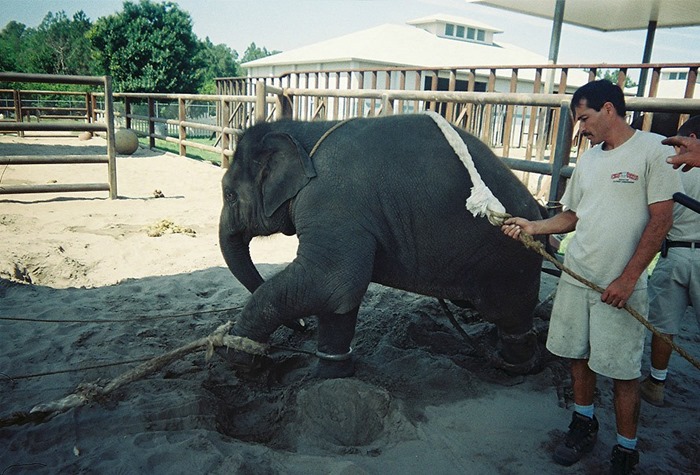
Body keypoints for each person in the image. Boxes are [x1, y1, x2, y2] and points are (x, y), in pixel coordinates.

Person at [501, 80, 680, 474]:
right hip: (579, 274)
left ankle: (626, 447)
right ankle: (583, 423)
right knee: (577, 357)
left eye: (584, 118)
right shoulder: (589, 160)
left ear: (609, 110)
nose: (580, 128)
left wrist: (629, 278)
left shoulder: (653, 149)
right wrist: (534, 227)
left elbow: (661, 219)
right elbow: (572, 216)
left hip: (620, 283)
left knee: (621, 369)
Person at [640, 116, 700, 407]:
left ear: (690, 137)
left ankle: (656, 382)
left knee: (664, 324)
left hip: (674, 251)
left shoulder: (674, 169)